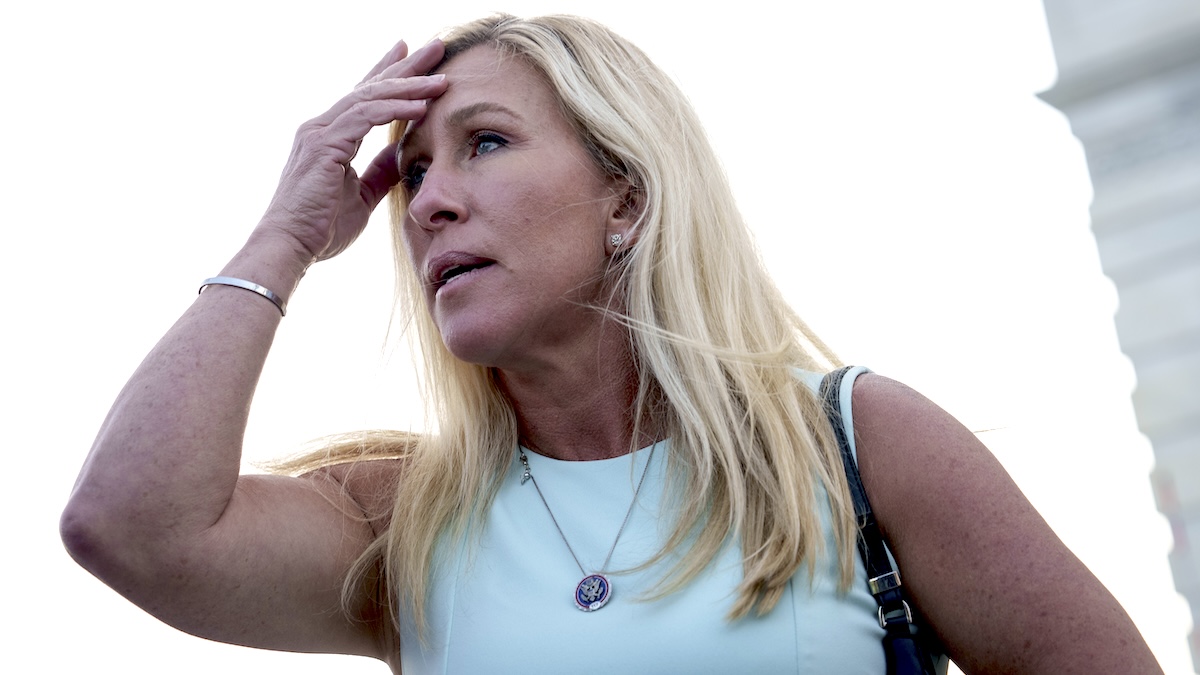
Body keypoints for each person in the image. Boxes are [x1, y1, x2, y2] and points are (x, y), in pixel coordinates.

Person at [61, 13, 1161, 674]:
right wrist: (286, 234)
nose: (431, 201)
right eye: (414, 175)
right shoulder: (400, 519)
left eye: (483, 144)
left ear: (626, 197)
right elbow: (128, 528)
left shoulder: (856, 442)